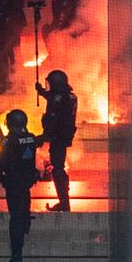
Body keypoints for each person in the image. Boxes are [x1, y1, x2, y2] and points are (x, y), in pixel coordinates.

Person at [0, 109, 42, 262]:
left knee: (15, 221)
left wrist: (2, 171)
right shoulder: (30, 138)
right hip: (26, 184)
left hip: (14, 185)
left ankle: (16, 257)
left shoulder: (9, 140)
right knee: (23, 215)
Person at [37, 70, 78, 211]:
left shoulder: (59, 98)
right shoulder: (69, 96)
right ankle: (64, 201)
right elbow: (53, 97)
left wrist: (44, 136)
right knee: (59, 168)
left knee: (58, 169)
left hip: (58, 137)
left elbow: (54, 117)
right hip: (63, 135)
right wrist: (41, 91)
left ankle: (64, 203)